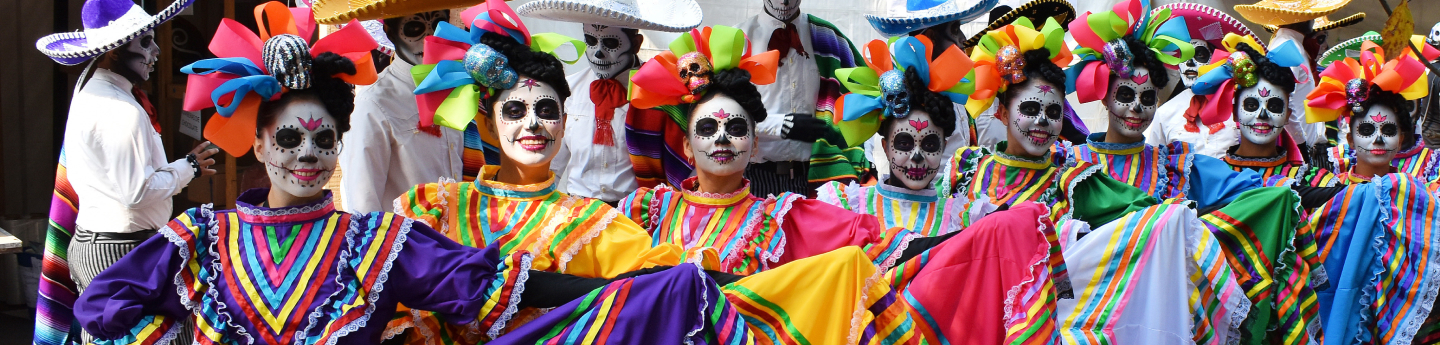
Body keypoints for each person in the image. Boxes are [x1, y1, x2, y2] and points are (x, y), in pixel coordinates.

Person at [69, 5, 531, 343]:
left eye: (324, 141)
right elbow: (102, 304)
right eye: (289, 140)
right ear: (258, 143)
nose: (308, 154)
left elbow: (484, 281)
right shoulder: (202, 240)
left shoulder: (378, 245)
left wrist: (603, 291)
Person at [625, 27, 1065, 343]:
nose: (723, 139)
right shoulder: (643, 212)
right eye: (708, 130)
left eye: (736, 127)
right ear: (684, 141)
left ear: (755, 141)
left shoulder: (785, 218)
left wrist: (992, 234)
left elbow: (892, 245)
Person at [32, 0, 215, 342]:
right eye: (145, 42)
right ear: (114, 52)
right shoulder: (119, 110)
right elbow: (137, 193)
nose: (157, 50)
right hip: (121, 249)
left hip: (102, 243)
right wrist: (187, 168)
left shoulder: (90, 91)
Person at [516, 0, 703, 202]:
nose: (598, 52)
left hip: (637, 216)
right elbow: (552, 160)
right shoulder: (568, 90)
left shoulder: (661, 93)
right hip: (578, 212)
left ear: (637, 44)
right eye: (590, 40)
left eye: (611, 43)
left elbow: (683, 163)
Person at [317, 0, 481, 213]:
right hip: (409, 243)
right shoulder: (373, 104)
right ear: (390, 32)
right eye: (415, 28)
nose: (429, 39)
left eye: (438, 24)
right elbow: (363, 205)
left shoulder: (458, 85)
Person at [817, 34, 976, 237]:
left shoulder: (959, 217)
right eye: (904, 143)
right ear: (885, 147)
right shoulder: (851, 206)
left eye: (929, 144)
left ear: (944, 148)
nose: (917, 156)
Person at [942, 16, 1079, 223]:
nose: (1043, 120)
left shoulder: (1071, 181)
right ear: (1004, 113)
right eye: (1030, 108)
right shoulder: (967, 170)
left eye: (1053, 112)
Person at [735, 0, 867, 196]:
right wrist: (781, 125)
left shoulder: (830, 39)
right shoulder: (738, 40)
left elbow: (862, 100)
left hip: (818, 178)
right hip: (755, 177)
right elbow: (720, 116)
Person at [1192, 34, 1339, 188]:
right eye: (1251, 105)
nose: (1262, 115)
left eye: (1274, 106)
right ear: (1235, 113)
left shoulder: (1313, 182)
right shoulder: (1209, 179)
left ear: (1287, 116)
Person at [863, 0, 997, 154]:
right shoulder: (905, 95)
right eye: (955, 29)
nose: (963, 38)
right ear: (931, 36)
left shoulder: (957, 84)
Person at [1233, 0, 1365, 156]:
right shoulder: (1287, 46)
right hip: (1299, 149)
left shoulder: (1295, 45)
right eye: (1311, 16)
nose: (1313, 21)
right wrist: (1300, 144)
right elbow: (1282, 99)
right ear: (1301, 19)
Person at [1312, 35, 1440, 185]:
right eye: (1367, 130)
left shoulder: (1420, 183)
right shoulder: (1334, 164)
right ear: (1350, 140)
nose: (1378, 138)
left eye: (1389, 130)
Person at [1145, 3, 1254, 158]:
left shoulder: (1239, 106)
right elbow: (1154, 163)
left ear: (1214, 59)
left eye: (1199, 55)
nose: (1189, 63)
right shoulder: (1164, 114)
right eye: (1184, 56)